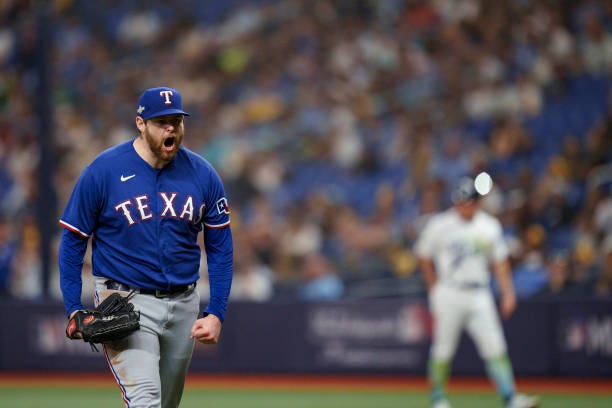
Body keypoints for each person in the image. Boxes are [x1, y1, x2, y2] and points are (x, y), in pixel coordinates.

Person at [58, 86, 233, 407]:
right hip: (124, 300)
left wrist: (216, 313)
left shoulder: (203, 174)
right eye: (161, 121)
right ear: (140, 123)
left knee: (166, 403)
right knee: (145, 399)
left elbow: (221, 246)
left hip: (184, 303)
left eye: (176, 121)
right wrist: (73, 308)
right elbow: (72, 242)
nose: (171, 128)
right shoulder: (103, 171)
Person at [414, 176, 538, 408]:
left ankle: (510, 397)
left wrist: (508, 292)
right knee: (443, 347)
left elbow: (500, 262)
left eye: (470, 201)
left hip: (479, 293)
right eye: (462, 201)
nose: (465, 206)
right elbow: (423, 255)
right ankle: (437, 399)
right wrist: (433, 287)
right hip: (449, 291)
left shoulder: (488, 225)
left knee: (495, 345)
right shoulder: (440, 224)